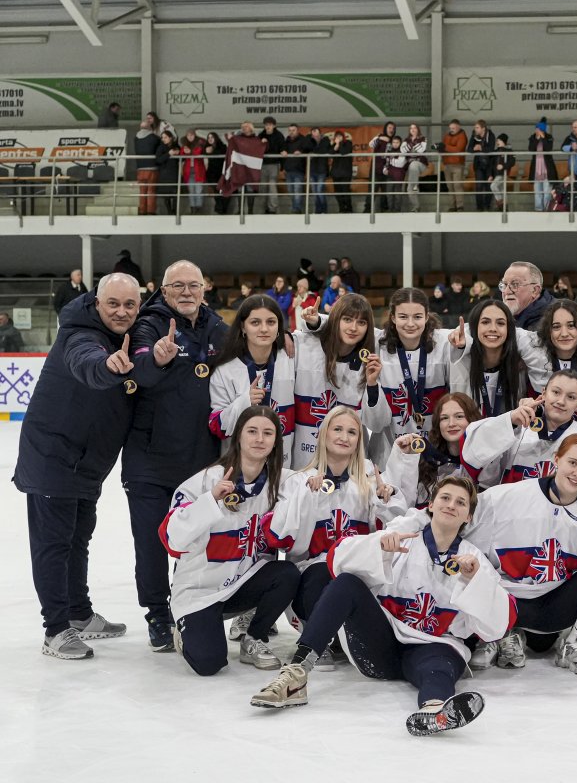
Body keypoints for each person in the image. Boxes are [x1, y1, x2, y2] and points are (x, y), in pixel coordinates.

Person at [251, 477, 505, 736]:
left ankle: (434, 710)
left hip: (433, 649)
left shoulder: (474, 561)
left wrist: (474, 581)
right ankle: (296, 674)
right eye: (445, 498)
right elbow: (336, 561)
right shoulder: (400, 538)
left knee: (438, 668)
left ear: (469, 517)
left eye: (461, 502)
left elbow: (497, 626)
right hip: (381, 647)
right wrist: (378, 548)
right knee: (347, 584)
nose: (451, 505)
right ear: (430, 505)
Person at [14, 273, 140, 660]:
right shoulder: (80, 333)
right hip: (54, 457)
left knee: (78, 539)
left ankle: (79, 613)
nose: (121, 312)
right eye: (113, 304)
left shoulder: (125, 333)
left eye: (129, 305)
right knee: (54, 545)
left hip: (86, 462)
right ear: (97, 303)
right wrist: (109, 366)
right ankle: (55, 629)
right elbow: (86, 362)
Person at [464, 434, 577, 675]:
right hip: (506, 602)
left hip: (553, 608)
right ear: (556, 460)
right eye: (572, 462)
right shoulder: (506, 496)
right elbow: (459, 526)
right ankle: (499, 634)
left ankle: (574, 643)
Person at [123, 260, 229, 651]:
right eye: (177, 286)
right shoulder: (149, 324)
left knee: (197, 540)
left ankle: (193, 606)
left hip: (200, 460)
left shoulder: (217, 327)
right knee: (151, 543)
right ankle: (156, 613)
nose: (186, 292)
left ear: (204, 289)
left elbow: (250, 352)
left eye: (193, 285)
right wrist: (158, 358)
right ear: (164, 292)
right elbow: (140, 368)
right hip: (149, 458)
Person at [161, 407, 300, 674]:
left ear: (275, 442)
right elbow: (173, 538)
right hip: (200, 591)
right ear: (238, 437)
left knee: (287, 573)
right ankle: (185, 625)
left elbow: (311, 488)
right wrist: (210, 500)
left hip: (242, 584)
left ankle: (254, 638)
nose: (259, 439)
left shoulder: (283, 482)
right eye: (252, 431)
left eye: (267, 433)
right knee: (208, 664)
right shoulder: (204, 481)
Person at [266, 406, 405, 668]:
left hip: (357, 569)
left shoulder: (369, 482)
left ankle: (351, 636)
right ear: (324, 435)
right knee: (320, 575)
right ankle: (320, 640)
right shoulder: (299, 481)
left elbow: (393, 529)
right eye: (337, 429)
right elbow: (284, 540)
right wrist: (305, 498)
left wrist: (386, 498)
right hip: (314, 570)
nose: (344, 436)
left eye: (352, 432)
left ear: (358, 441)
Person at [460, 369, 577, 491]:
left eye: (571, 397)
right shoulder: (517, 428)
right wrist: (510, 420)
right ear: (543, 393)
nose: (561, 401)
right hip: (512, 517)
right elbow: (472, 447)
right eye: (556, 392)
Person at [293, 294, 391, 470]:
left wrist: (372, 385)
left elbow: (377, 424)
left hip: (347, 466)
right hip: (303, 461)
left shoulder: (369, 363)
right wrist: (315, 322)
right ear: (336, 319)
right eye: (347, 319)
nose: (353, 328)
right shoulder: (304, 345)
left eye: (361, 322)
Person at [208, 295, 297, 468]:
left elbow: (321, 336)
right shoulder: (225, 370)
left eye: (271, 322)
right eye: (255, 322)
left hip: (282, 466)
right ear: (243, 327)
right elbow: (216, 427)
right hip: (238, 469)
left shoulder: (291, 359)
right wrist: (244, 402)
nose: (264, 329)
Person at [513, 299, 577, 425]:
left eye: (571, 325)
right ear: (548, 330)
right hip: (537, 436)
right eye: (556, 327)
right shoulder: (533, 345)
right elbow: (500, 329)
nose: (564, 333)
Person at [376, 288, 453, 450]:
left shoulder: (445, 341)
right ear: (393, 318)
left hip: (436, 448)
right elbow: (342, 326)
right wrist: (315, 322)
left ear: (426, 317)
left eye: (417, 317)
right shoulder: (378, 343)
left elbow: (478, 331)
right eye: (403, 317)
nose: (410, 324)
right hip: (390, 449)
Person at [389, 393, 492, 508]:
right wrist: (406, 457)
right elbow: (405, 505)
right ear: (438, 424)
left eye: (459, 416)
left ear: (472, 420)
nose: (451, 424)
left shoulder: (488, 463)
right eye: (444, 418)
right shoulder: (426, 462)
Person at [449, 299, 525, 422]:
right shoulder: (459, 361)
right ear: (475, 326)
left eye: (500, 323)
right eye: (485, 322)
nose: (493, 329)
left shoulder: (519, 366)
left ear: (509, 329)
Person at [499, 261, 554, 330]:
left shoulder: (553, 322)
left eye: (515, 284)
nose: (506, 291)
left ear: (534, 290)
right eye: (504, 285)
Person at [528, 118, 558, 212]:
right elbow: (531, 149)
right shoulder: (533, 137)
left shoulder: (549, 137)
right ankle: (538, 209)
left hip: (547, 169)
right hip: (536, 169)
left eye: (538, 129)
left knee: (546, 192)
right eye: (536, 129)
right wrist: (537, 139)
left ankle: (546, 209)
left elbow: (548, 148)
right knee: (537, 192)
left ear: (542, 130)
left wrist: (543, 138)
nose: (536, 130)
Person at [257, 117, 285, 214]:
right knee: (263, 187)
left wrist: (282, 165)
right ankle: (264, 208)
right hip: (262, 165)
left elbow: (282, 148)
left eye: (270, 124)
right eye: (266, 125)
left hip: (274, 164)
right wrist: (261, 144)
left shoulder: (279, 135)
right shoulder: (261, 135)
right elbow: (255, 149)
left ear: (274, 125)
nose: (268, 126)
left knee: (272, 186)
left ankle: (272, 208)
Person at [399, 124, 429, 213]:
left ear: (418, 129)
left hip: (421, 164)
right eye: (411, 128)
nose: (412, 129)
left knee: (414, 164)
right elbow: (402, 151)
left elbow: (421, 150)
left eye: (414, 128)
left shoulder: (423, 138)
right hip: (411, 168)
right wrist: (411, 144)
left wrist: (413, 143)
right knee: (409, 189)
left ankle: (415, 184)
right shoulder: (406, 140)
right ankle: (416, 207)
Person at [369, 121, 398, 213]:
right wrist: (379, 137)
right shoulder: (380, 137)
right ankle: (367, 210)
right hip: (376, 168)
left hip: (387, 169)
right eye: (389, 127)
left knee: (385, 190)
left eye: (393, 128)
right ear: (385, 128)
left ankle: (384, 210)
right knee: (372, 189)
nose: (391, 130)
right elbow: (371, 144)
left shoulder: (395, 140)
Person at [133, 116, 160, 215]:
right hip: (152, 168)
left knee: (142, 192)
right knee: (151, 191)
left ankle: (142, 211)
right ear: (150, 128)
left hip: (140, 168)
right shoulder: (154, 138)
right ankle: (151, 211)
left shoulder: (136, 138)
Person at [441, 119, 469, 212]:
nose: (451, 129)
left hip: (458, 164)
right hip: (447, 164)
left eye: (453, 128)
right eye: (450, 128)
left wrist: (445, 147)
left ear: (458, 127)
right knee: (450, 186)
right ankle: (452, 205)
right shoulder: (446, 136)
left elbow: (458, 149)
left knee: (457, 185)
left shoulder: (462, 136)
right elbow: (444, 147)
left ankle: (460, 205)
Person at [469, 120, 497, 212]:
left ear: (483, 128)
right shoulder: (474, 135)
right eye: (475, 127)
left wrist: (481, 148)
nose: (475, 129)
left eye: (477, 127)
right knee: (479, 185)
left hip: (489, 165)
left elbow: (491, 148)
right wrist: (474, 148)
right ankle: (479, 207)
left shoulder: (491, 135)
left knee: (489, 186)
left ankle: (487, 206)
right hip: (479, 164)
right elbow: (469, 149)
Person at [179, 128, 207, 214]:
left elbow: (199, 153)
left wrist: (189, 151)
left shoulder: (200, 144)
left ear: (195, 136)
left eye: (191, 135)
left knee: (198, 191)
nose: (190, 137)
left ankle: (198, 208)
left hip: (199, 171)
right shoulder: (184, 145)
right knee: (191, 191)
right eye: (188, 135)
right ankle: (193, 209)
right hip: (188, 171)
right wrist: (184, 151)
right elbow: (181, 155)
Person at [155, 130, 181, 216]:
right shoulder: (160, 147)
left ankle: (175, 211)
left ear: (170, 138)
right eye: (162, 137)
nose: (163, 139)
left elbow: (182, 158)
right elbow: (158, 160)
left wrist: (179, 154)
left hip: (174, 173)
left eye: (165, 137)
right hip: (164, 174)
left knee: (175, 193)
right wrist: (168, 154)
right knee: (166, 195)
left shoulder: (176, 146)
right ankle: (169, 212)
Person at [329, 130, 354, 214]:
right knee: (337, 192)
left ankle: (349, 208)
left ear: (343, 137)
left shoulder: (348, 143)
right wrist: (336, 145)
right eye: (337, 136)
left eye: (340, 136)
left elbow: (344, 152)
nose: (338, 138)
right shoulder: (334, 145)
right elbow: (331, 153)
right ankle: (342, 208)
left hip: (346, 172)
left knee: (345, 191)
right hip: (336, 173)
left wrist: (339, 144)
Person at [308, 127, 331, 214]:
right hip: (312, 170)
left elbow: (324, 150)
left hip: (322, 170)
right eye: (312, 132)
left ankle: (324, 210)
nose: (313, 134)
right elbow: (306, 148)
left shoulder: (325, 140)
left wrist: (314, 153)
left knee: (319, 190)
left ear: (320, 133)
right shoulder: (310, 141)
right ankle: (318, 210)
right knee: (314, 192)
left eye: (315, 131)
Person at [490, 133, 516, 211]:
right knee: (501, 189)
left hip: (503, 174)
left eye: (499, 140)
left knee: (493, 186)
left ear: (504, 141)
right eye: (497, 140)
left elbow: (512, 162)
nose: (497, 142)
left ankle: (500, 204)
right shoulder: (496, 151)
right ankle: (504, 206)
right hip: (496, 174)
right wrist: (491, 175)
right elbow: (492, 164)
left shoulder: (509, 151)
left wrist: (503, 166)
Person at [203, 132, 227, 201]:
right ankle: (219, 208)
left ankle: (221, 209)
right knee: (216, 192)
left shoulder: (222, 146)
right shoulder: (206, 147)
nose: (210, 139)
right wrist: (206, 151)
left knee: (222, 192)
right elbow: (203, 152)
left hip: (221, 172)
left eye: (212, 137)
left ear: (215, 138)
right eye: (208, 137)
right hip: (211, 174)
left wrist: (212, 151)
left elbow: (222, 152)